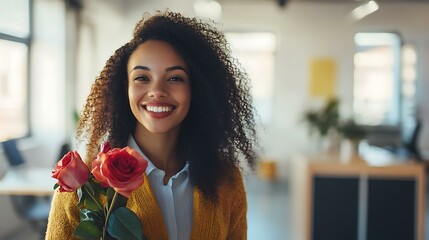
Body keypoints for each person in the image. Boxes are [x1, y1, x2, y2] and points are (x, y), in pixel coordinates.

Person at [46, 10, 257, 240]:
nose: (157, 91)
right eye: (142, 78)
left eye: (175, 78)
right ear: (124, 87)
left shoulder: (226, 179)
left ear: (196, 88)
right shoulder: (83, 185)